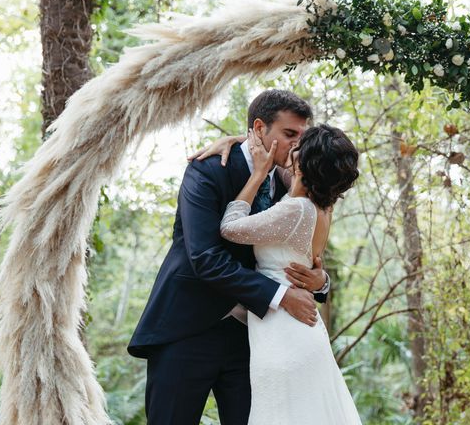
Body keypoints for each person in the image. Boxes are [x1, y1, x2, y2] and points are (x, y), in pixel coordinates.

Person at [128, 89, 331, 425]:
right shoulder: (207, 170)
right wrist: (281, 296)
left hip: (256, 338)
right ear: (259, 128)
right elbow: (205, 257)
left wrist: (321, 282)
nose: (296, 145)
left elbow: (305, 247)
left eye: (301, 137)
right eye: (289, 134)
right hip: (188, 329)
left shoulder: (293, 181)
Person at [219, 123, 362, 425]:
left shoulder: (294, 210)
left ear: (303, 161)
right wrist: (240, 140)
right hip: (301, 329)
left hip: (282, 331)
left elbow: (229, 228)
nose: (292, 145)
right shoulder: (321, 208)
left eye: (298, 143)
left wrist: (257, 175)